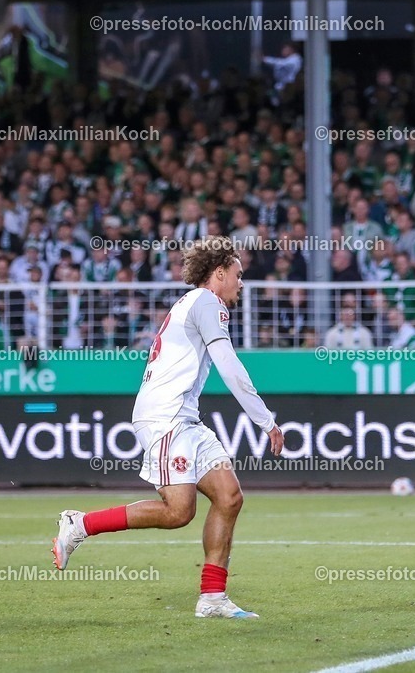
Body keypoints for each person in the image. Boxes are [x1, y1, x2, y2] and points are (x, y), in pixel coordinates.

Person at [51, 236, 285, 619]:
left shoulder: (193, 303)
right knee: (179, 512)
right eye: (238, 275)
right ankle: (80, 524)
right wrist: (266, 420)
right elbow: (228, 364)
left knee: (229, 497)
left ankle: (212, 598)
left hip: (185, 418)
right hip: (165, 417)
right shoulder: (208, 302)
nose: (241, 283)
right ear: (220, 273)